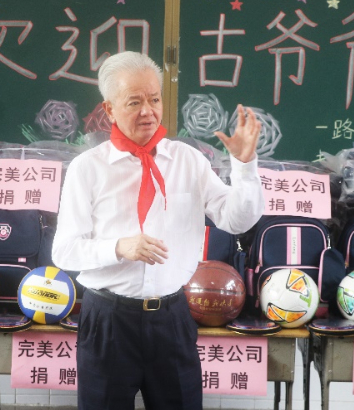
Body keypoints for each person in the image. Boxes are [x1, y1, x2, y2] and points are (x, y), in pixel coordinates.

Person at [52, 51, 265, 410]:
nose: (148, 111)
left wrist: (245, 167)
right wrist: (119, 247)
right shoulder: (87, 168)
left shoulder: (188, 160)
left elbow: (236, 220)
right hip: (109, 321)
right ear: (109, 110)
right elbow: (64, 251)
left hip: (172, 318)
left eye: (154, 99)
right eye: (134, 102)